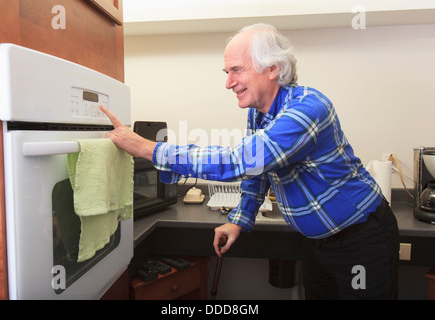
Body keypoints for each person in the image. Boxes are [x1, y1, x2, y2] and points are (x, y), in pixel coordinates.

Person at [100, 23, 399, 300]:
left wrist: (149, 148)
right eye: (226, 72)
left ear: (272, 69)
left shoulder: (309, 108)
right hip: (316, 243)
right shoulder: (258, 112)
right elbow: (258, 172)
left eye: (236, 70)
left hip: (360, 237)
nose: (229, 83)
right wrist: (239, 221)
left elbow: (240, 161)